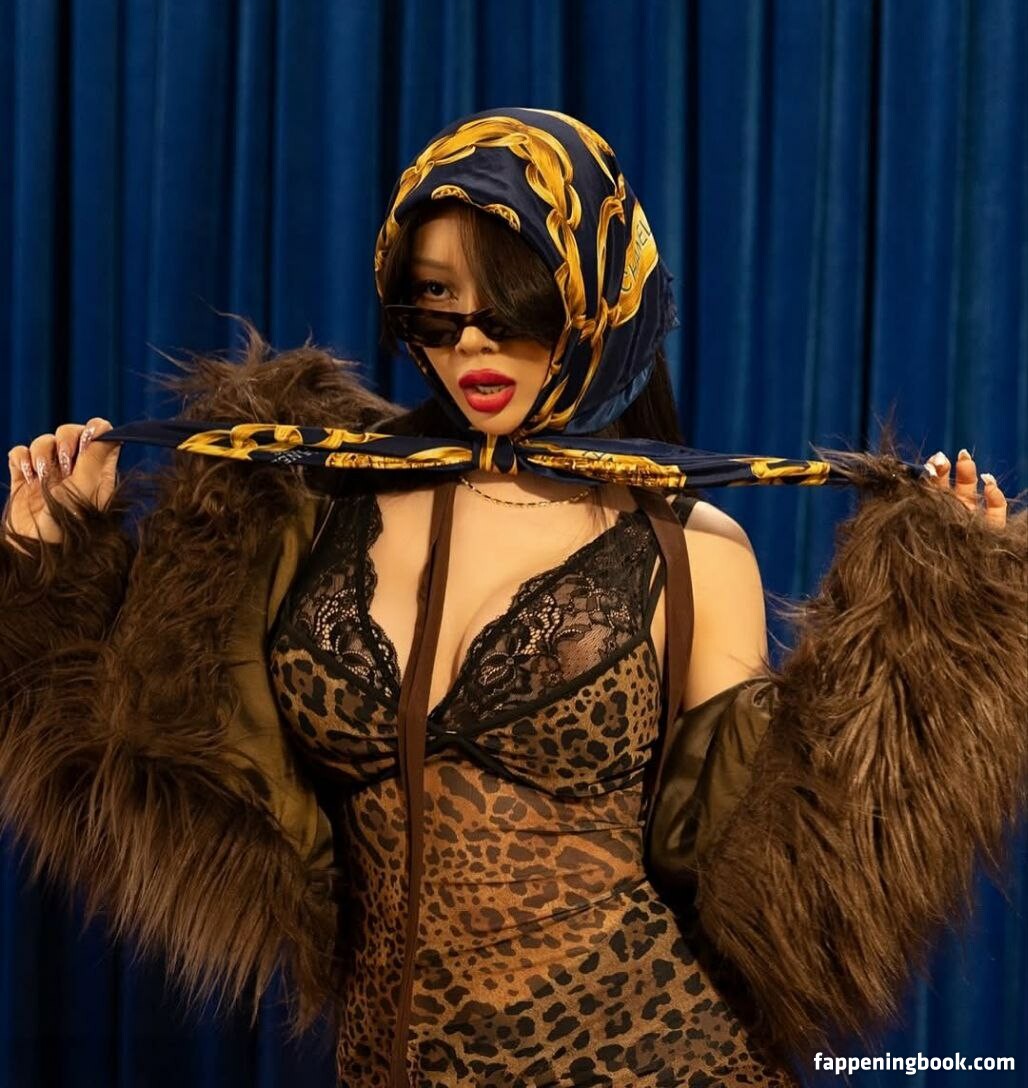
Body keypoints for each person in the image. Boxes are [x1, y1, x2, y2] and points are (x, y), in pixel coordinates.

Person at [1, 108, 1024, 1088]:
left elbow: (783, 863)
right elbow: (146, 750)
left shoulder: (691, 547)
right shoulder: (312, 507)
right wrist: (53, 566)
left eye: (518, 303)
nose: (473, 342)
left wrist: (946, 624)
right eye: (435, 302)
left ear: (596, 299)